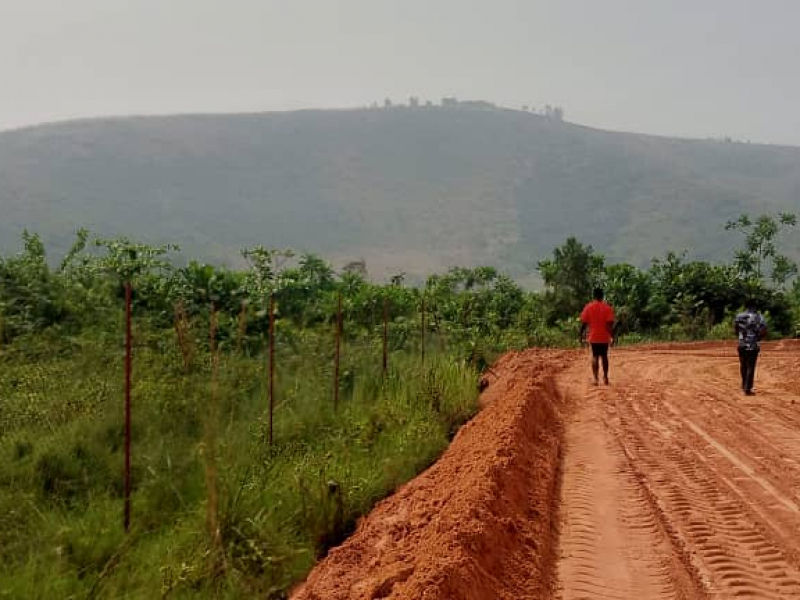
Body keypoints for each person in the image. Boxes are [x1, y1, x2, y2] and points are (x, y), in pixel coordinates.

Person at [579, 288, 616, 385]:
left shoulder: (588, 307)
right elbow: (609, 325)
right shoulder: (607, 308)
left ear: (593, 295)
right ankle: (605, 377)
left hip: (593, 336)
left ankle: (595, 379)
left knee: (595, 356)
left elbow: (584, 323)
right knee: (604, 356)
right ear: (602, 295)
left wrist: (580, 334)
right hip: (604, 337)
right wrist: (612, 336)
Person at [734, 299, 767, 395]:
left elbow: (735, 329)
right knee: (750, 366)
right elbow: (764, 331)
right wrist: (758, 338)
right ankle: (747, 389)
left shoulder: (739, 316)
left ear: (746, 306)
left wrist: (741, 338)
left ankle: (744, 385)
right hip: (753, 345)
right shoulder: (760, 317)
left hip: (741, 344)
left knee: (743, 365)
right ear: (755, 307)